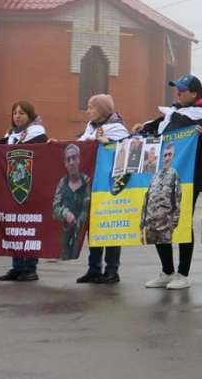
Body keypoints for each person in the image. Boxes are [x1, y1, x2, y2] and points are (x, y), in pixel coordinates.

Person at [133, 74, 202, 290]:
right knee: (157, 219)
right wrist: (144, 129)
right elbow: (158, 130)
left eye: (182, 90)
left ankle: (183, 274)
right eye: (176, 89)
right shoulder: (173, 112)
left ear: (195, 94)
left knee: (182, 222)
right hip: (161, 175)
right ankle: (167, 271)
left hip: (188, 178)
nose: (177, 93)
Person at [77, 94, 129, 284]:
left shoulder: (118, 129)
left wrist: (108, 143)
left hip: (111, 186)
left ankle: (112, 270)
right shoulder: (90, 128)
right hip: (93, 184)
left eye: (91, 107)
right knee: (94, 227)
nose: (88, 111)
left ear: (102, 110)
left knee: (111, 227)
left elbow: (125, 151)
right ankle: (94, 269)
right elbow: (81, 146)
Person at [0, 101, 47, 282]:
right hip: (12, 187)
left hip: (31, 188)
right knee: (15, 227)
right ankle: (17, 267)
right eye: (15, 113)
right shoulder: (11, 134)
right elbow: (3, 148)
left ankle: (30, 268)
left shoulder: (37, 134)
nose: (17, 116)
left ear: (30, 116)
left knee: (30, 228)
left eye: (21, 113)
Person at [52, 144, 91, 261]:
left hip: (84, 241)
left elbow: (90, 208)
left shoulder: (87, 182)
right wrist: (65, 213)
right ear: (65, 163)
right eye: (68, 159)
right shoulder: (62, 183)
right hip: (66, 242)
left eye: (74, 158)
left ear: (79, 159)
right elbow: (54, 209)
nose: (71, 162)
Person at [141, 143, 182, 244]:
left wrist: (172, 225)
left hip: (165, 228)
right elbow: (146, 201)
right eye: (165, 155)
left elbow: (177, 201)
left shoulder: (174, 174)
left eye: (170, 155)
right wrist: (142, 226)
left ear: (173, 157)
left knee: (165, 252)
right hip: (150, 227)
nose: (167, 158)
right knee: (152, 253)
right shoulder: (155, 176)